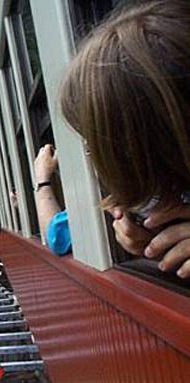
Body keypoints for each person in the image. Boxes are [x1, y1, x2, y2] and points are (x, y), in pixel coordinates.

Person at [35, 0, 190, 278]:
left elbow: (57, 237)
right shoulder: (139, 208)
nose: (93, 159)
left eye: (96, 146)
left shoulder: (146, 199)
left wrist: (42, 180)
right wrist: (149, 244)